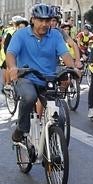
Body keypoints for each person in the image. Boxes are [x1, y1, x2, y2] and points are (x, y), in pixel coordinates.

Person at [6, 3, 77, 143]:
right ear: (32, 19)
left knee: (59, 116)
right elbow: (11, 53)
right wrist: (13, 67)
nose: (44, 24)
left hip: (47, 79)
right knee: (30, 97)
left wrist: (73, 68)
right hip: (26, 77)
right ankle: (21, 128)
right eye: (40, 20)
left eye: (47, 20)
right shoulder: (20, 35)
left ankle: (52, 150)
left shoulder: (55, 35)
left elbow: (65, 54)